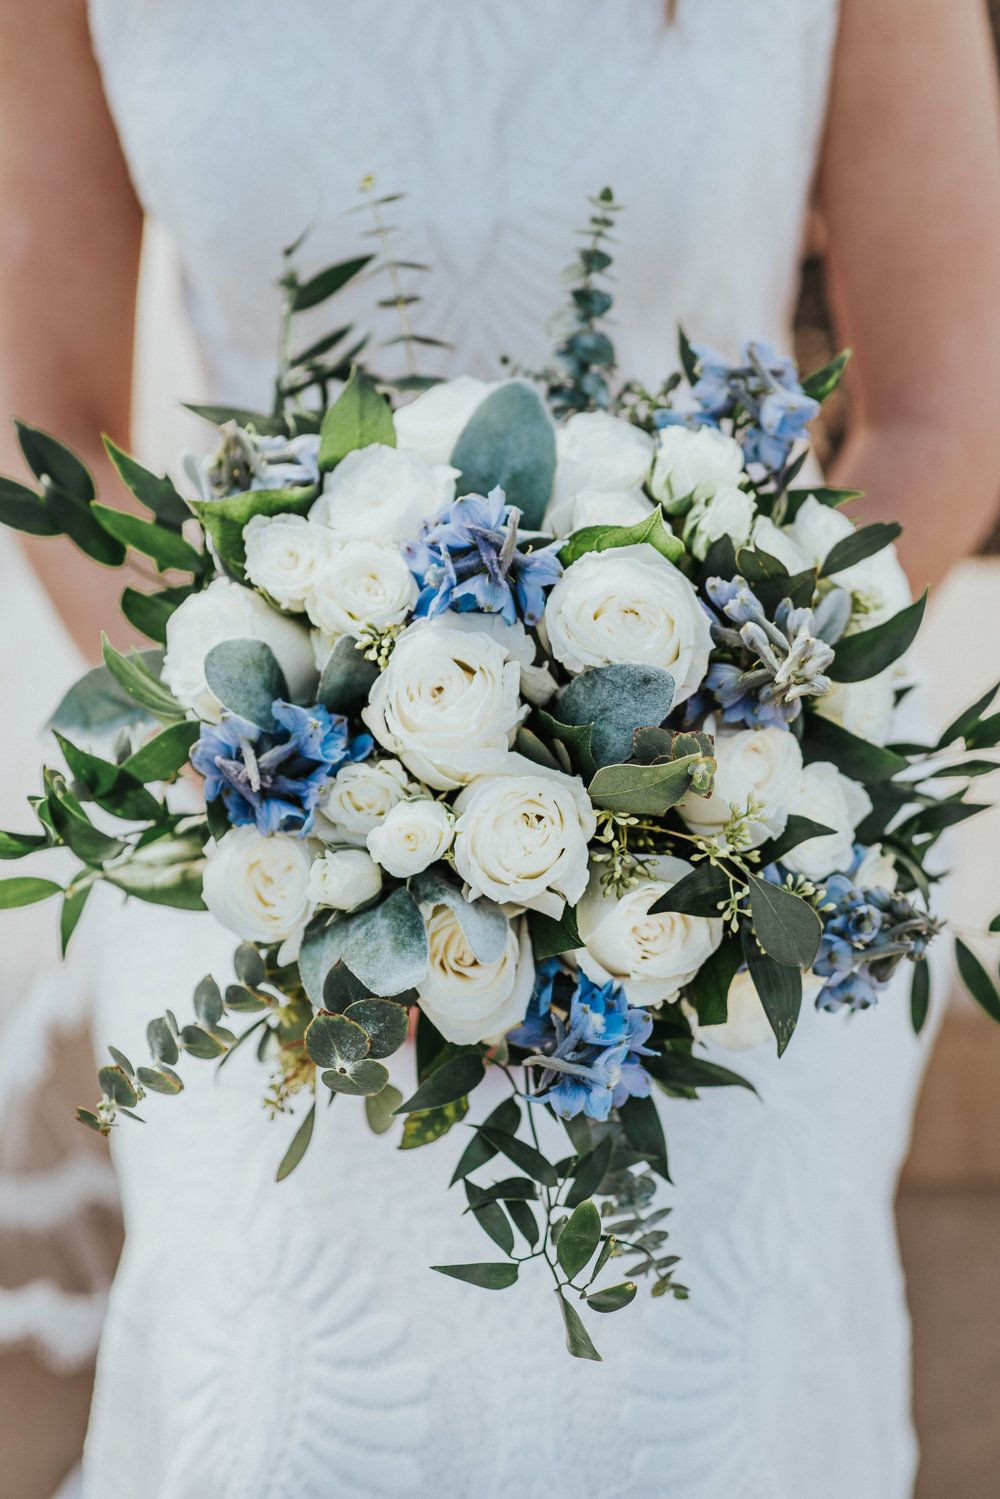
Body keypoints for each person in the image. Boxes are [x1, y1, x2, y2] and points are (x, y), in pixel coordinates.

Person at [0, 2, 998, 1496]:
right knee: (279, 1409)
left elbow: (940, 409)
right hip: (266, 783)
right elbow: (50, 426)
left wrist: (701, 750)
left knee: (699, 1418)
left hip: (732, 798)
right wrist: (291, 750)